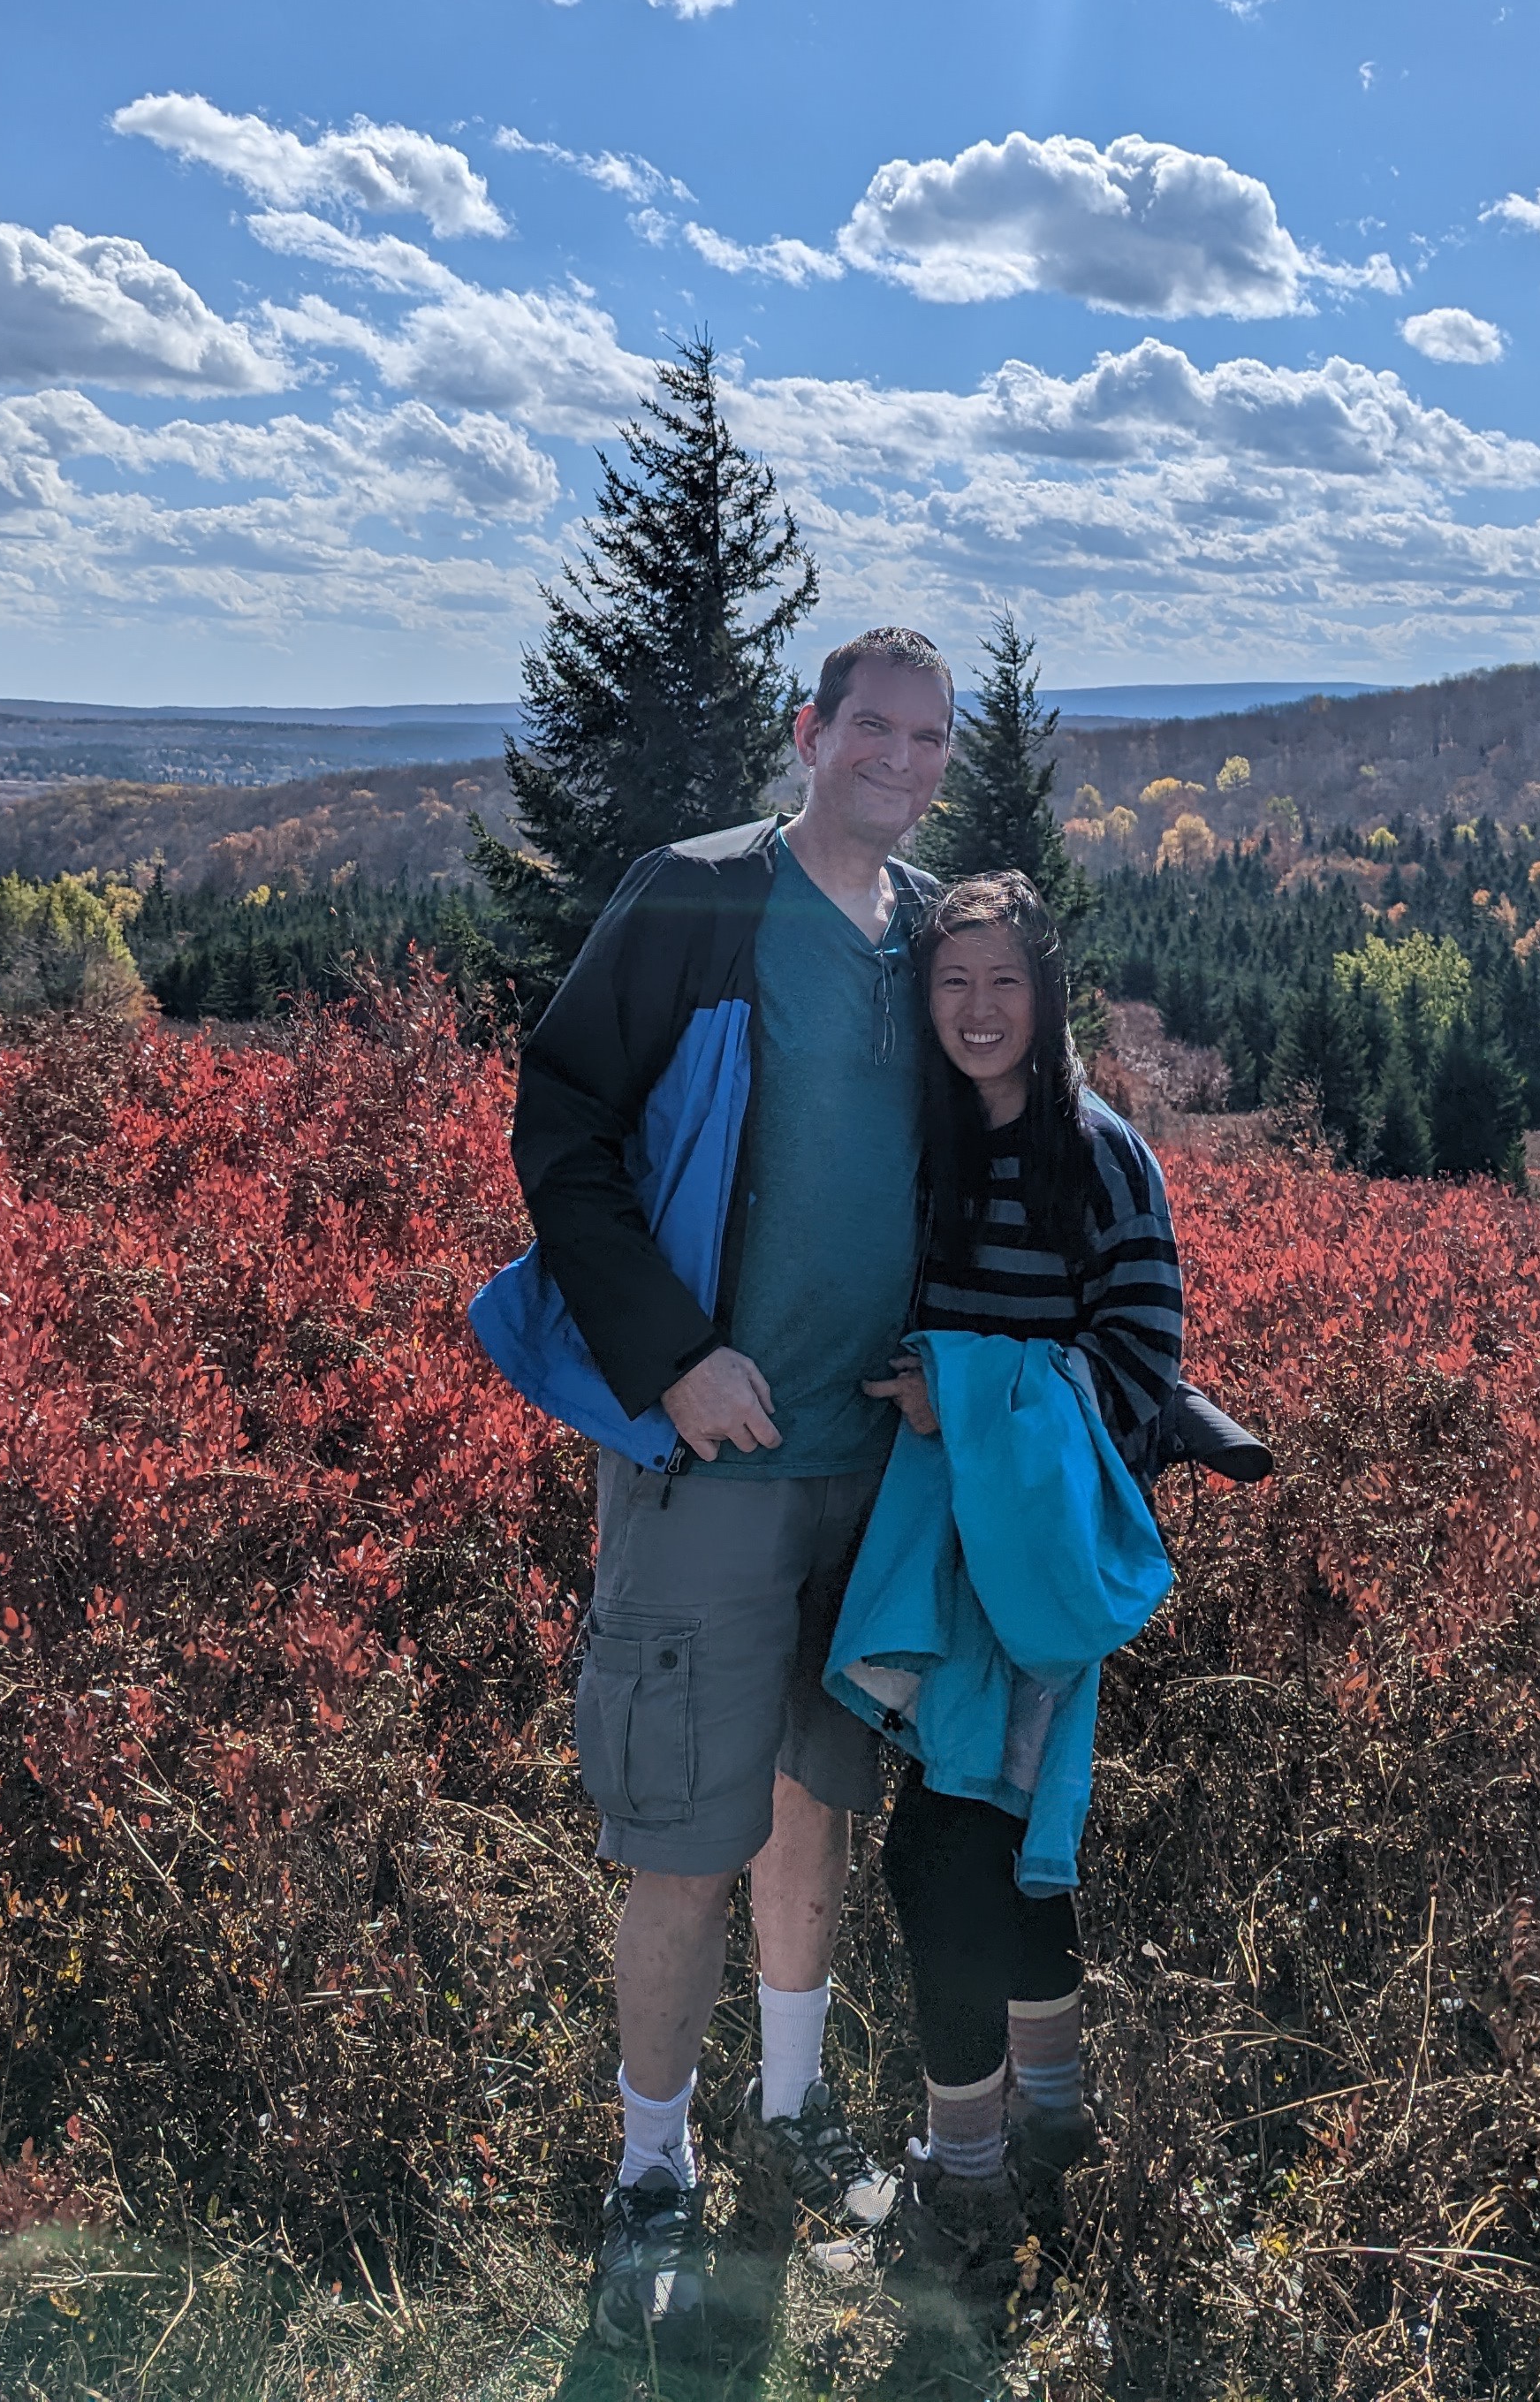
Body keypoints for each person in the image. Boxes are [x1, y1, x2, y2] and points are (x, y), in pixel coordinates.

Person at [492, 627, 957, 2350]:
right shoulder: (695, 900)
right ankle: (649, 2174)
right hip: (713, 1461)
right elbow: (563, 1123)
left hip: (867, 1473)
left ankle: (791, 2107)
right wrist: (671, 1356)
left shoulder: (927, 944)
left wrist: (954, 1375)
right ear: (807, 731)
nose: (901, 760)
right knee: (687, 1837)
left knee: (814, 1807)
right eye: (874, 730)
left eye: (929, 738)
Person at [857, 869, 1185, 2294]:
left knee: (934, 1864)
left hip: (1029, 1564)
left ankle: (970, 2198)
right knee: (1007, 1850)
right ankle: (1055, 2131)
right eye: (952, 984)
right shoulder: (923, 1148)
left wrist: (969, 1404)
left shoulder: (1102, 1157)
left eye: (1005, 985)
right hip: (937, 1545)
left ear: (1047, 999)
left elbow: (1139, 1373)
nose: (979, 1012)